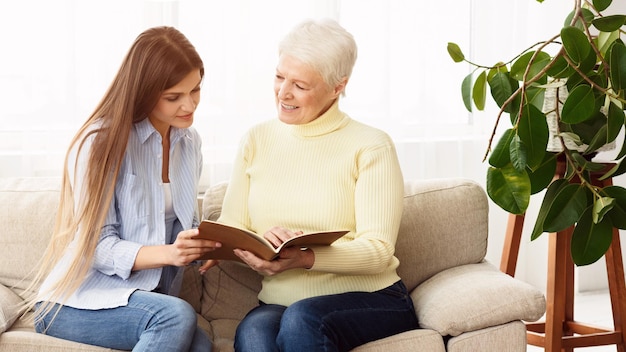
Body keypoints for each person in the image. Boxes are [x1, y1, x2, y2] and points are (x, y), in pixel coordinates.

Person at [200, 18, 419, 352]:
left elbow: (378, 251)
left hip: (372, 298)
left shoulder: (371, 146)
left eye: (300, 85)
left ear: (337, 87)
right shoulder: (256, 140)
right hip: (280, 301)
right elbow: (234, 225)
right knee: (254, 334)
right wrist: (229, 244)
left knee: (303, 320)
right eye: (279, 76)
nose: (283, 93)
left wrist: (303, 258)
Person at [29, 26, 219, 352]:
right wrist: (170, 253)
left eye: (196, 90)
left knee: (200, 345)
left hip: (146, 302)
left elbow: (178, 233)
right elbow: (97, 247)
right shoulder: (99, 143)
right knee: (175, 319)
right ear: (144, 92)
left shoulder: (189, 143)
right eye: (174, 97)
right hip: (76, 301)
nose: (190, 105)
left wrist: (199, 247)